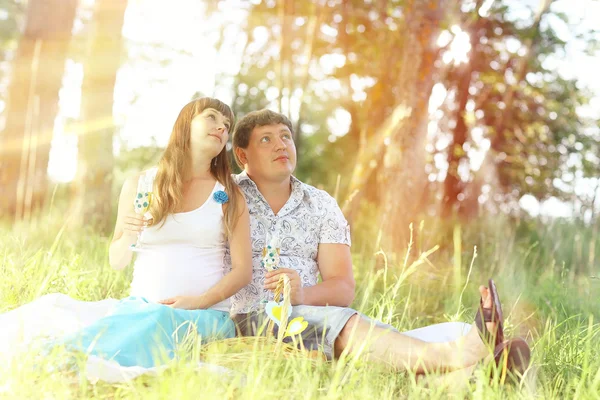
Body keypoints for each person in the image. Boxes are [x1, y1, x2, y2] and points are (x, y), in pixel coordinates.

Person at [227, 109, 531, 377]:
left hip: (308, 315)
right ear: (242, 155)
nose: (281, 144)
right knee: (342, 324)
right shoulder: (224, 196)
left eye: (285, 137)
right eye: (266, 139)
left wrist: (302, 293)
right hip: (248, 318)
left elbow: (342, 287)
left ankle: (475, 376)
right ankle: (458, 355)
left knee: (450, 331)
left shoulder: (321, 204)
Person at [1, 98, 252, 379]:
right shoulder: (141, 185)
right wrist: (129, 234)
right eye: (212, 117)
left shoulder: (229, 193)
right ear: (185, 124)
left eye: (226, 125)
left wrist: (199, 301)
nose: (221, 127)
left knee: (157, 319)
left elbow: (243, 271)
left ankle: (62, 361)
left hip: (205, 316)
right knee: (53, 310)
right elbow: (117, 261)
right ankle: (55, 360)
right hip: (139, 309)